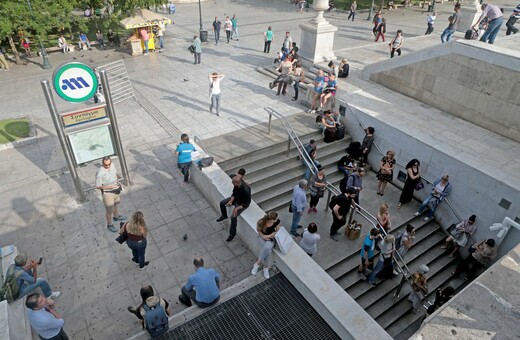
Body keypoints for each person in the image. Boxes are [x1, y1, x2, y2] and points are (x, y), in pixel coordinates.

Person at [95, 156, 126, 232]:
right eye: (106, 165)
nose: (108, 166)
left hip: (116, 189)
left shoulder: (112, 165)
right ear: (102, 163)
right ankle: (109, 224)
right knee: (109, 210)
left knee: (115, 204)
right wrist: (109, 186)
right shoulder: (100, 173)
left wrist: (118, 180)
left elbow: (115, 174)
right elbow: (98, 186)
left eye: (109, 164)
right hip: (108, 193)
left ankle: (116, 216)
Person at [217, 176, 252, 242]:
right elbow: (234, 193)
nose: (232, 183)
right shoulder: (237, 185)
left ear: (236, 183)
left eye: (233, 182)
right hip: (236, 199)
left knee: (233, 217)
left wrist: (236, 209)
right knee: (222, 203)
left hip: (241, 204)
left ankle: (232, 234)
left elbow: (246, 203)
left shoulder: (246, 190)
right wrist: (230, 201)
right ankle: (224, 216)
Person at [251, 212, 281, 279]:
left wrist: (269, 236)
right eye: (276, 218)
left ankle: (257, 263)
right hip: (262, 237)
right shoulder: (261, 222)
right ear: (272, 220)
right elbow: (258, 231)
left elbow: (277, 231)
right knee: (268, 251)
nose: (278, 219)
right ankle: (265, 268)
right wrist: (263, 236)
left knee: (268, 248)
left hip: (271, 238)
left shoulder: (277, 222)